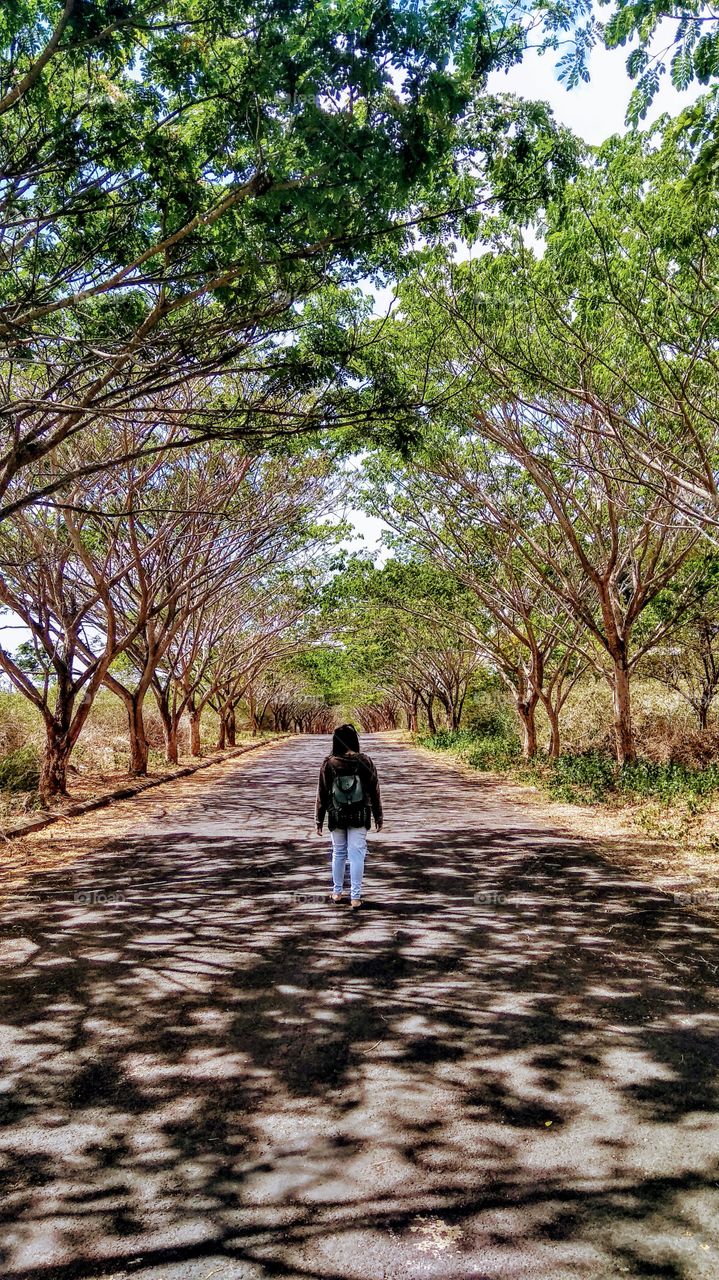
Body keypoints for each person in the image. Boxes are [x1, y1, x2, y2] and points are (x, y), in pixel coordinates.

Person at [315, 724, 383, 910]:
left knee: (338, 852)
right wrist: (378, 816)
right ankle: (355, 897)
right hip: (360, 815)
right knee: (357, 854)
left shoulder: (329, 763)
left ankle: (337, 893)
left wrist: (319, 820)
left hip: (336, 815)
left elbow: (322, 793)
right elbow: (374, 791)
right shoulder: (365, 761)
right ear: (354, 740)